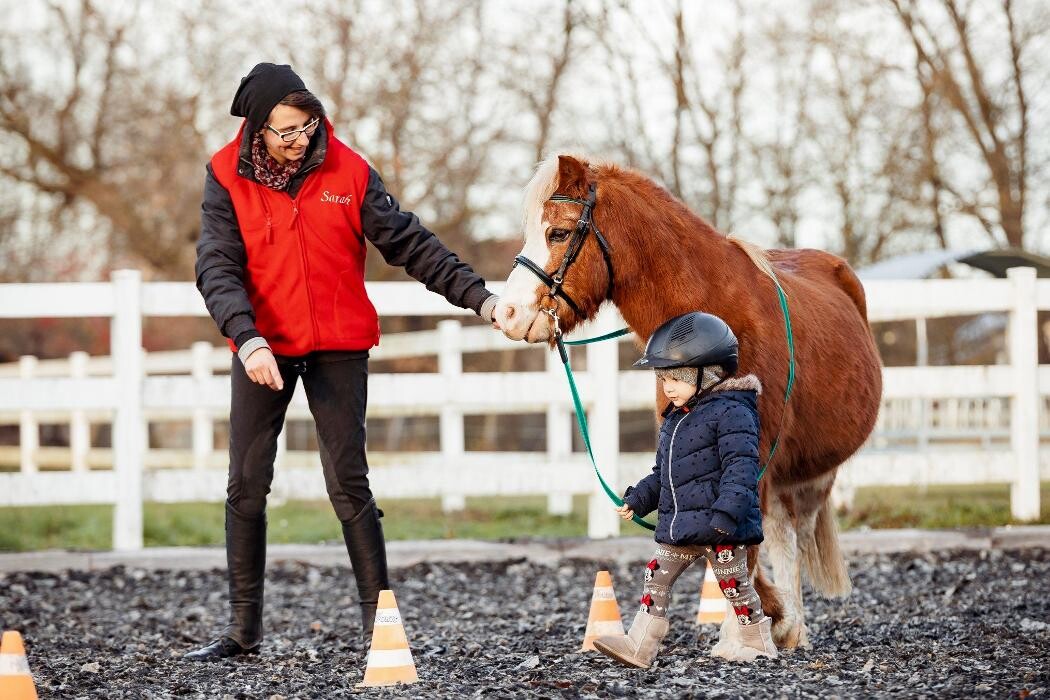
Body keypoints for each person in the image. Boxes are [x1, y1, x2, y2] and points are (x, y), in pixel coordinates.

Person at [185, 63, 499, 661]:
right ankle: (242, 631)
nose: (299, 140)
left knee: (347, 481)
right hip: (262, 347)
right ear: (256, 128)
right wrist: (247, 338)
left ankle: (380, 626)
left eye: (307, 127)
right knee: (247, 483)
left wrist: (480, 298)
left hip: (337, 346)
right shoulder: (225, 175)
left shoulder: (348, 171)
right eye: (285, 131)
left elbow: (410, 243)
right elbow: (216, 266)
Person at [592, 311, 776, 669]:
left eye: (676, 377)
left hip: (721, 530)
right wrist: (638, 499)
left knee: (736, 588)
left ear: (707, 373)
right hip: (681, 529)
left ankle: (759, 644)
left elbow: (741, 469)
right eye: (664, 379)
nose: (668, 387)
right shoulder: (676, 419)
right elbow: (664, 474)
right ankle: (640, 646)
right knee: (655, 577)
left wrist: (726, 515)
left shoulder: (733, 413)